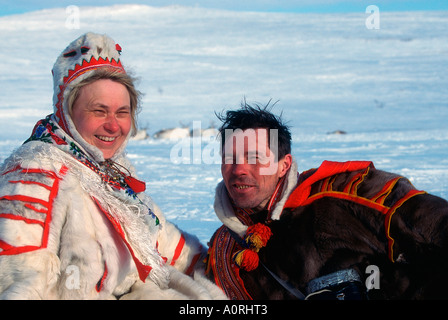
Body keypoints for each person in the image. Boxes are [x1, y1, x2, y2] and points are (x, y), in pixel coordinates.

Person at [0, 32, 225, 300]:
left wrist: (221, 261)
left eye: (122, 112)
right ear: (68, 112)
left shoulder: (111, 171)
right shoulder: (36, 172)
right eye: (99, 111)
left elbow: (160, 240)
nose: (113, 125)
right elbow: (19, 279)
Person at [204, 102, 448, 300]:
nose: (239, 170)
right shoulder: (225, 253)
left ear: (283, 165)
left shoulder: (347, 194)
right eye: (230, 158)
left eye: (255, 157)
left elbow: (436, 223)